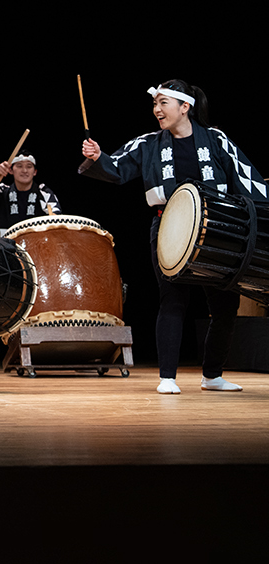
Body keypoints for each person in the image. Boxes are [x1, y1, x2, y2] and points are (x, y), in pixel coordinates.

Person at [80, 79, 267, 394]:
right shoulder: (149, 143)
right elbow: (117, 168)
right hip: (168, 226)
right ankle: (167, 377)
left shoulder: (216, 139)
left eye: (163, 103)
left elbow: (246, 177)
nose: (156, 109)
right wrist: (98, 156)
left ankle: (212, 376)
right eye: (155, 104)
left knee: (225, 303)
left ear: (185, 107)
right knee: (173, 299)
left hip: (217, 226)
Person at [0, 151, 62, 372]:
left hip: (38, 256)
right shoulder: (4, 190)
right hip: (5, 254)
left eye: (29, 166)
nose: (24, 170)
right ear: (11, 170)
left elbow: (56, 217)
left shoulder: (43, 192)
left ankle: (59, 349)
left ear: (35, 171)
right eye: (19, 166)